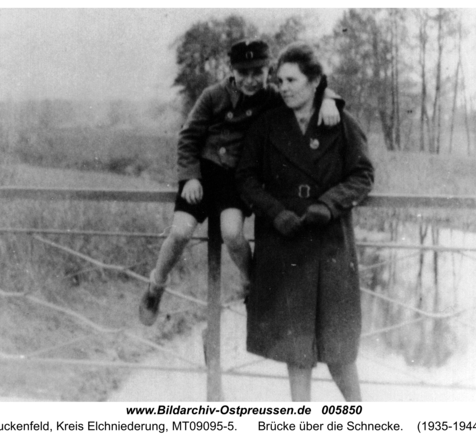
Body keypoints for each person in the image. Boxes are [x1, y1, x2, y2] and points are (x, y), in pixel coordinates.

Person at [139, 39, 343, 326]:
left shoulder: (272, 96)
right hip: (202, 176)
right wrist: (189, 177)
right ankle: (156, 285)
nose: (250, 80)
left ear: (268, 70)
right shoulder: (213, 95)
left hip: (234, 181)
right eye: (242, 72)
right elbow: (188, 137)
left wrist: (329, 98)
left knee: (233, 234)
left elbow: (311, 87)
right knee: (180, 232)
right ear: (231, 70)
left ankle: (254, 285)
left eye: (257, 72)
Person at [236, 42, 374, 401]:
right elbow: (246, 178)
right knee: (296, 352)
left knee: (339, 350)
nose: (283, 87)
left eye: (292, 80)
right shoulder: (266, 125)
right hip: (284, 243)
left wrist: (328, 205)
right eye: (279, 80)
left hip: (330, 245)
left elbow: (362, 175)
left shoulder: (340, 122)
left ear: (315, 82)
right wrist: (275, 212)